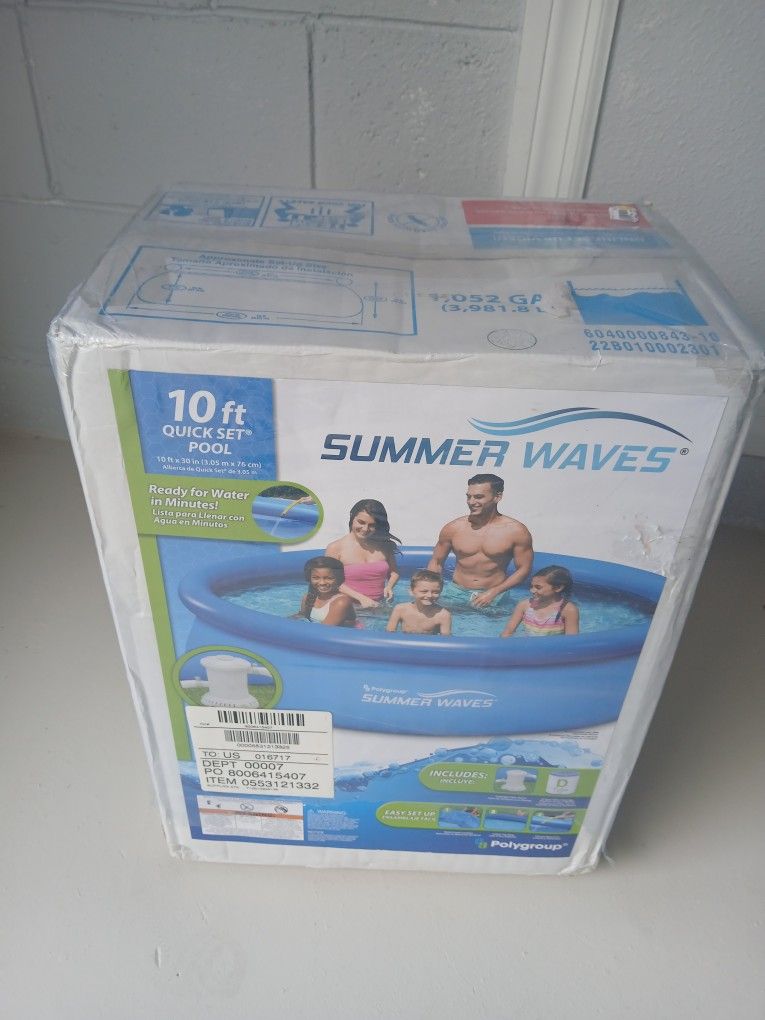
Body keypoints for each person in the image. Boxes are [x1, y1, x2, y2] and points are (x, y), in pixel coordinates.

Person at [427, 474, 533, 609]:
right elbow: (436, 562)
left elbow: (524, 569)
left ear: (497, 497)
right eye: (468, 497)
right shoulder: (453, 528)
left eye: (478, 497)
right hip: (455, 592)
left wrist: (494, 592)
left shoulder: (516, 531)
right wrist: (431, 588)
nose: (471, 502)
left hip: (495, 594)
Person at [325, 499, 400, 609]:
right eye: (361, 522)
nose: (365, 529)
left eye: (372, 525)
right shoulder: (335, 548)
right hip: (346, 609)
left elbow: (394, 573)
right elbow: (329, 581)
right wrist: (361, 598)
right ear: (352, 518)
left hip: (379, 606)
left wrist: (389, 587)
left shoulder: (384, 546)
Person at [500, 565, 579, 637]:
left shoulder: (568, 610)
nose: (532, 590)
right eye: (532, 586)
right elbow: (508, 631)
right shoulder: (524, 605)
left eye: (538, 587)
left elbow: (571, 640)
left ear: (558, 588)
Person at [295, 557, 358, 628]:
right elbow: (301, 616)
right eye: (316, 578)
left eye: (329, 578)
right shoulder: (308, 597)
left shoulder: (341, 602)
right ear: (309, 578)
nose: (322, 583)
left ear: (339, 579)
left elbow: (323, 630)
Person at [386, 569, 452, 636]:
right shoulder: (400, 609)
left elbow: (445, 639)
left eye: (435, 592)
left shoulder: (443, 615)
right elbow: (389, 634)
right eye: (424, 591)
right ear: (411, 591)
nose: (429, 595)